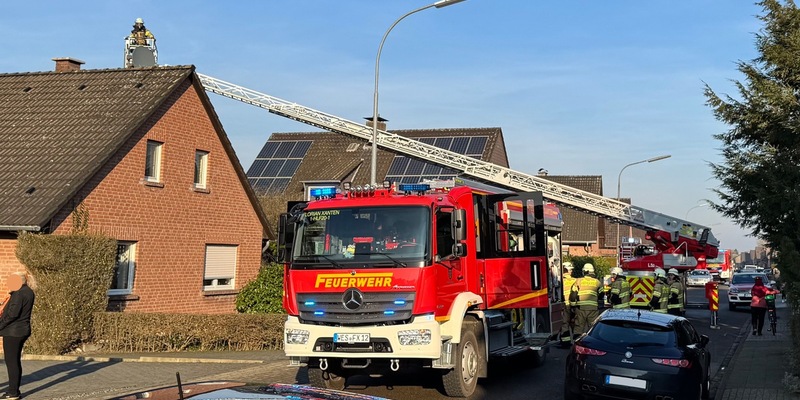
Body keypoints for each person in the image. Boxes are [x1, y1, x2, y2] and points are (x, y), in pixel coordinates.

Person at [0, 272, 35, 400]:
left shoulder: (19, 293)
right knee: (15, 361)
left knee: (11, 362)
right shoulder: (28, 292)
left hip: (13, 332)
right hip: (21, 330)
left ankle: (12, 392)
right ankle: (14, 391)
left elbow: (12, 314)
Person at [570, 263, 603, 340]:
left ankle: (577, 344)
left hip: (581, 308)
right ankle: (592, 345)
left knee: (579, 327)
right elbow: (601, 294)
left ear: (584, 271)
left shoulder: (578, 281)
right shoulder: (597, 282)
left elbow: (573, 295)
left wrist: (573, 305)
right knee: (592, 327)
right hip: (593, 309)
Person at [558, 262, 576, 348]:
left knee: (565, 324)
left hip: (564, 305)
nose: (571, 271)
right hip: (572, 305)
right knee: (574, 323)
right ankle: (576, 341)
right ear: (566, 270)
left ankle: (565, 342)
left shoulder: (560, 281)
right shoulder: (574, 280)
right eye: (570, 269)